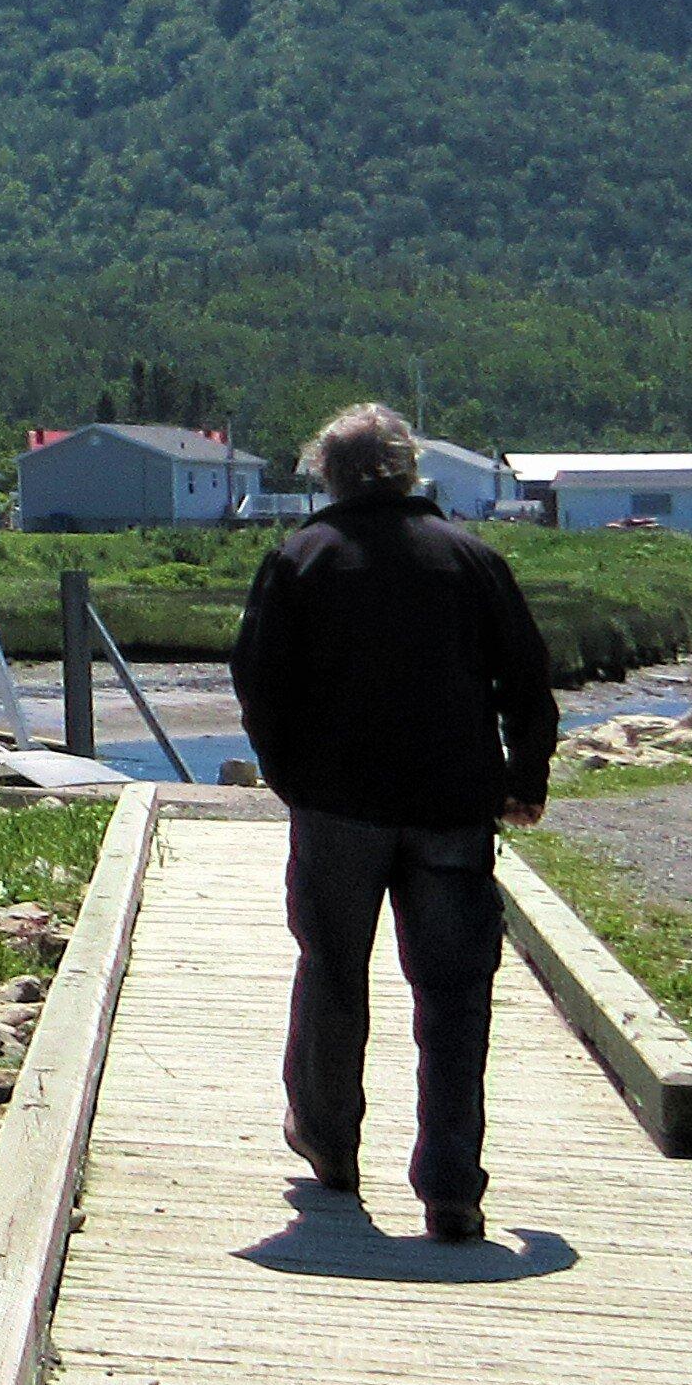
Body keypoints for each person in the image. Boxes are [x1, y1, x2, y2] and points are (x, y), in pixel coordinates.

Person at [229, 401, 557, 1243]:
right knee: (454, 997)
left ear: (326, 475)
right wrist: (525, 777)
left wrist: (287, 775)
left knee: (333, 972)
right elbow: (526, 677)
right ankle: (452, 1188)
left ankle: (331, 1146)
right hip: (451, 807)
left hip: (337, 808)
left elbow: (258, 682)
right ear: (412, 471)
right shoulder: (471, 557)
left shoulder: (302, 557)